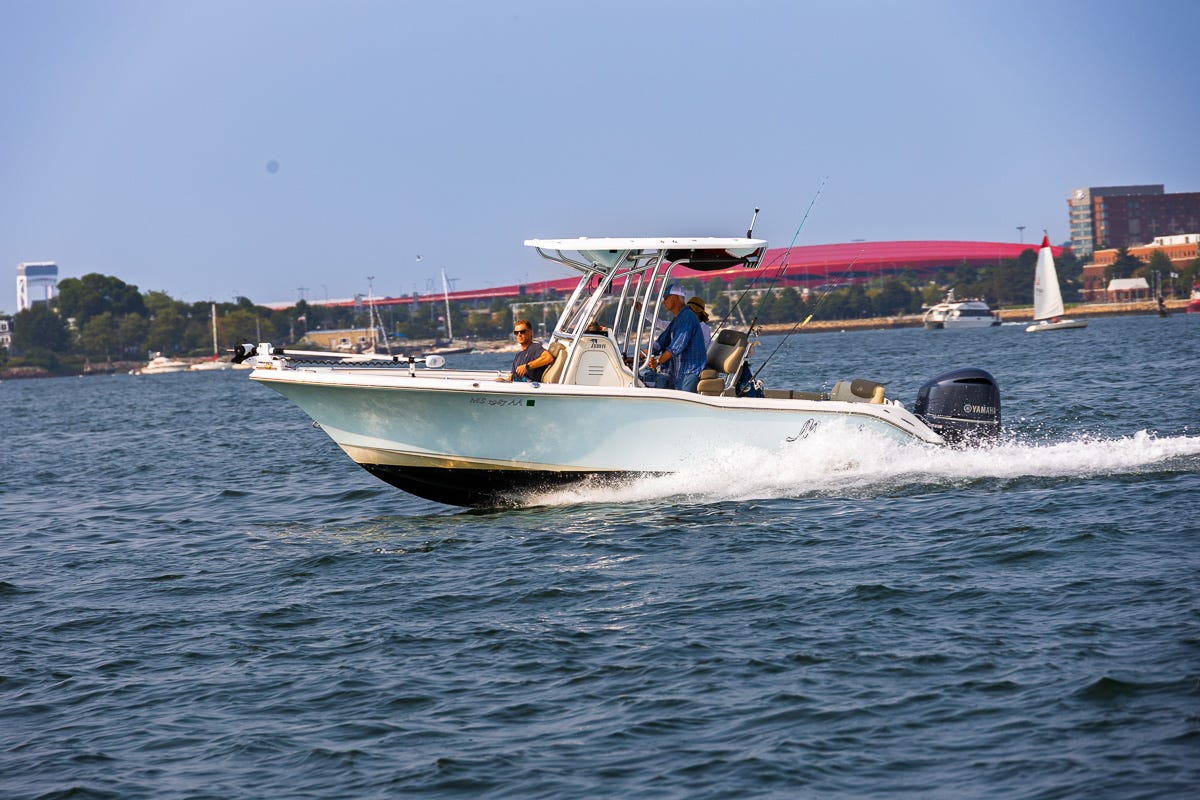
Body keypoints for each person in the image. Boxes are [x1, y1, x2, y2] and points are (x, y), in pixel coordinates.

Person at [644, 285, 707, 392]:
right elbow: (661, 342)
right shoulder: (677, 319)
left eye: (665, 298)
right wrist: (639, 356)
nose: (664, 302)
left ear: (674, 298)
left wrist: (657, 361)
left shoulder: (688, 318)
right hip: (677, 371)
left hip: (689, 371)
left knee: (683, 405)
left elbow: (676, 347)